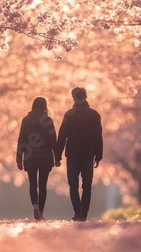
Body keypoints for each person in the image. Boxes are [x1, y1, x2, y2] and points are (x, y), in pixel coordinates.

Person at [56, 87, 103, 221]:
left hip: (72, 155)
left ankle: (77, 212)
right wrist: (98, 156)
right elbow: (98, 137)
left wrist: (57, 156)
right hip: (88, 155)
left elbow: (62, 136)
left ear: (74, 98)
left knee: (73, 186)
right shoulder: (94, 115)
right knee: (87, 187)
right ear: (86, 97)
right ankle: (84, 213)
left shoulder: (69, 114)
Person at [16, 96, 58, 220]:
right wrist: (57, 157)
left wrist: (19, 159)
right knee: (43, 185)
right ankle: (41, 212)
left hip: (30, 157)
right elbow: (53, 140)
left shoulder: (25, 120)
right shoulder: (48, 121)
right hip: (45, 158)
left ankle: (34, 205)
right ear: (44, 106)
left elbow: (21, 140)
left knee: (32, 184)